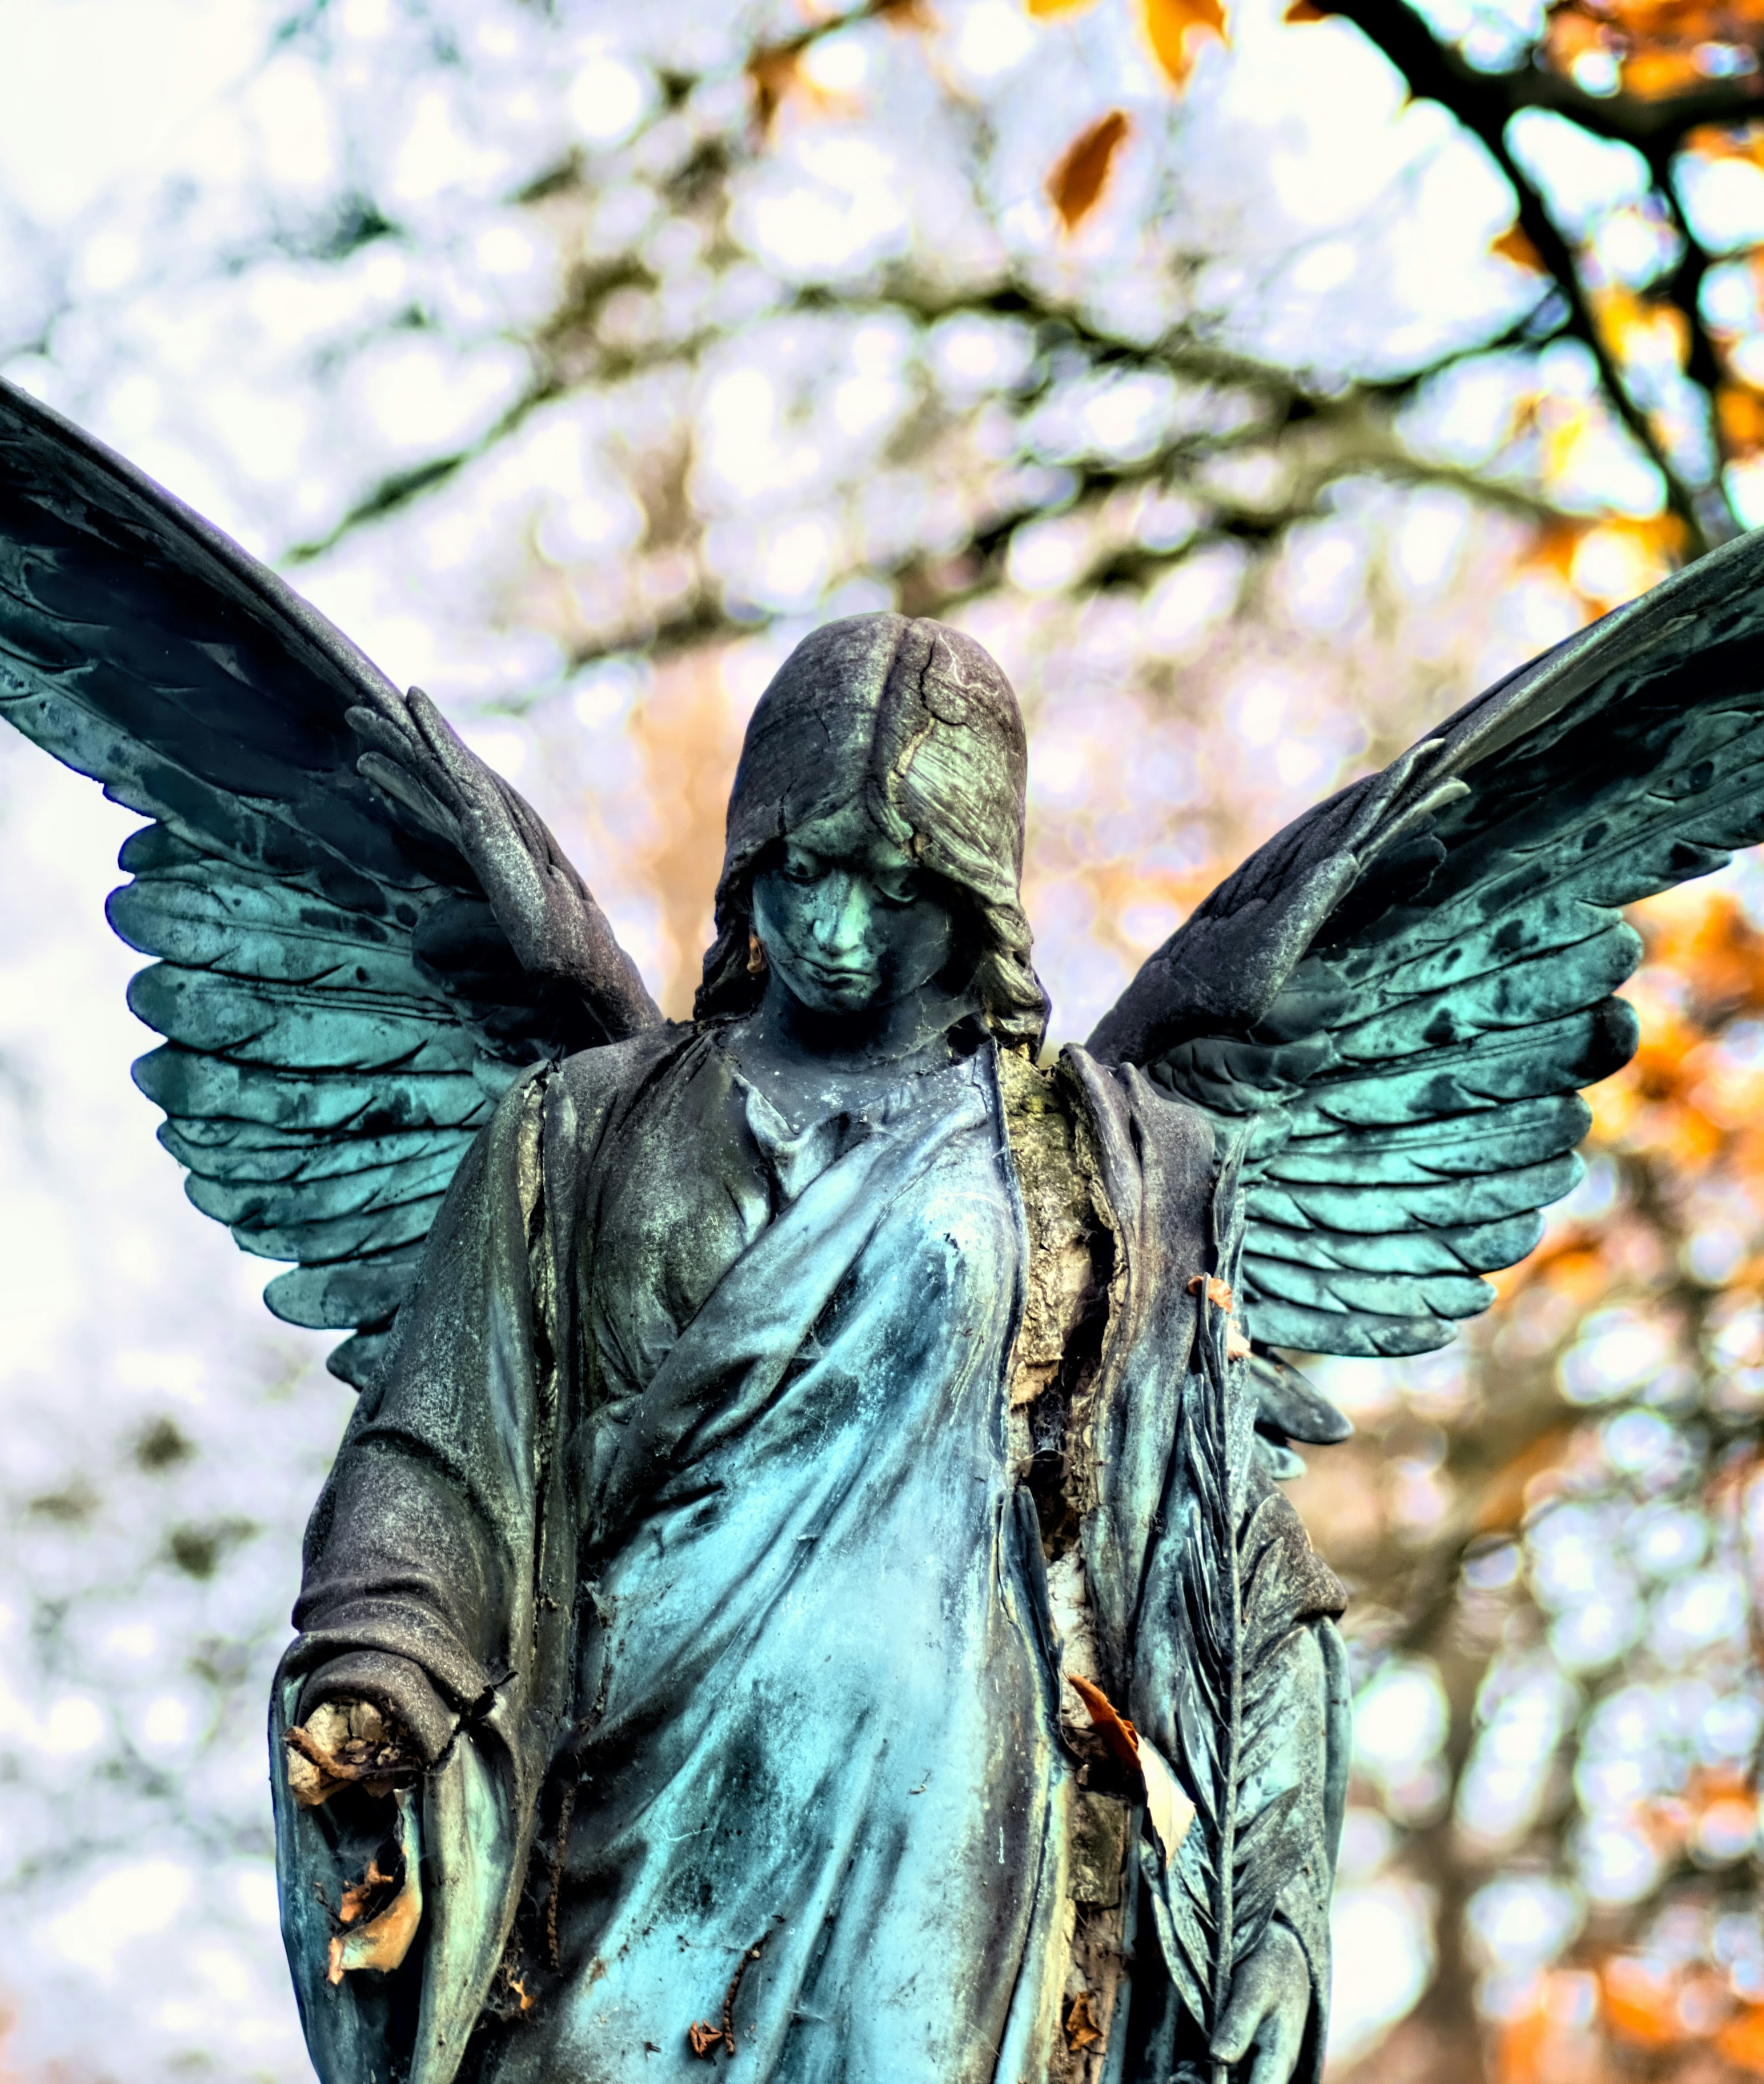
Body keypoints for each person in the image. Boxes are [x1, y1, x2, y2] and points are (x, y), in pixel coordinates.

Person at [273, 614, 1343, 2084]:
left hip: (945, 1822)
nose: (840, 928)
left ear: (977, 894)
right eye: (805, 868)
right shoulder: (577, 1129)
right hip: (626, 1798)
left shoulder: (1105, 1161)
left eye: (899, 885)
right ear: (746, 863)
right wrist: (381, 1657)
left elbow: (1223, 1556)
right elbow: (445, 1443)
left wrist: (1268, 1897)